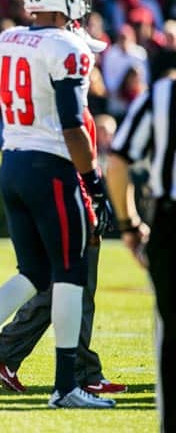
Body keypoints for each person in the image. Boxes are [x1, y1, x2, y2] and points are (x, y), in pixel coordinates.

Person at [0, 0, 116, 409]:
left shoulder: (9, 39)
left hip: (13, 163)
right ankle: (65, 387)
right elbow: (73, 125)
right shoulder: (67, 46)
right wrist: (93, 183)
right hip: (51, 168)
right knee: (70, 275)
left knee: (33, 273)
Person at [0, 108, 126, 395]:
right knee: (75, 289)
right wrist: (91, 206)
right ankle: (82, 373)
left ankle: (4, 351)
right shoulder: (72, 110)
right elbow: (74, 163)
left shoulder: (47, 108)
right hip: (67, 203)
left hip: (42, 193)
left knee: (54, 287)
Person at [107, 70, 176, 432]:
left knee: (172, 335)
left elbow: (117, 164)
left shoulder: (161, 96)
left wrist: (129, 224)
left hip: (170, 221)